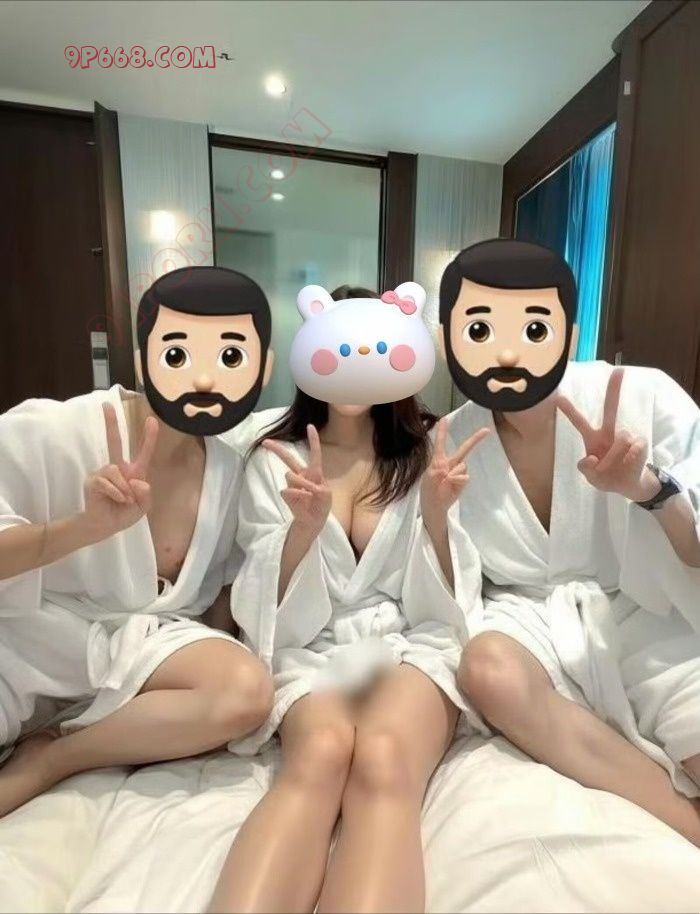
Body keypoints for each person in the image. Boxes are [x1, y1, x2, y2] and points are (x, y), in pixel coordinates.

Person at [208, 283, 486, 914]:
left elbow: (448, 602)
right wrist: (302, 532)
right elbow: (263, 609)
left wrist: (437, 514)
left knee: (383, 760)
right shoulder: (274, 459)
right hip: (313, 650)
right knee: (321, 753)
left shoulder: (425, 456)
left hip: (411, 646)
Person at [437, 238, 700, 844]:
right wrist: (431, 513)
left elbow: (694, 552)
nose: (507, 351)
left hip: (645, 608)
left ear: (569, 333)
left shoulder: (643, 396)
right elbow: (445, 585)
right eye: (479, 330)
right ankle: (683, 820)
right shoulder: (448, 441)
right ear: (449, 339)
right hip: (530, 614)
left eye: (534, 328)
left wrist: (646, 488)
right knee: (488, 671)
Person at [0, 265, 275, 816]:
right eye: (178, 354)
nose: (204, 379)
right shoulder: (53, 432)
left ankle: (55, 756)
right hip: (27, 642)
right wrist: (81, 530)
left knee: (246, 692)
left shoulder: (234, 467)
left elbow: (220, 600)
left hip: (136, 649)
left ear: (262, 369)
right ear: (145, 353)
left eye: (230, 356)